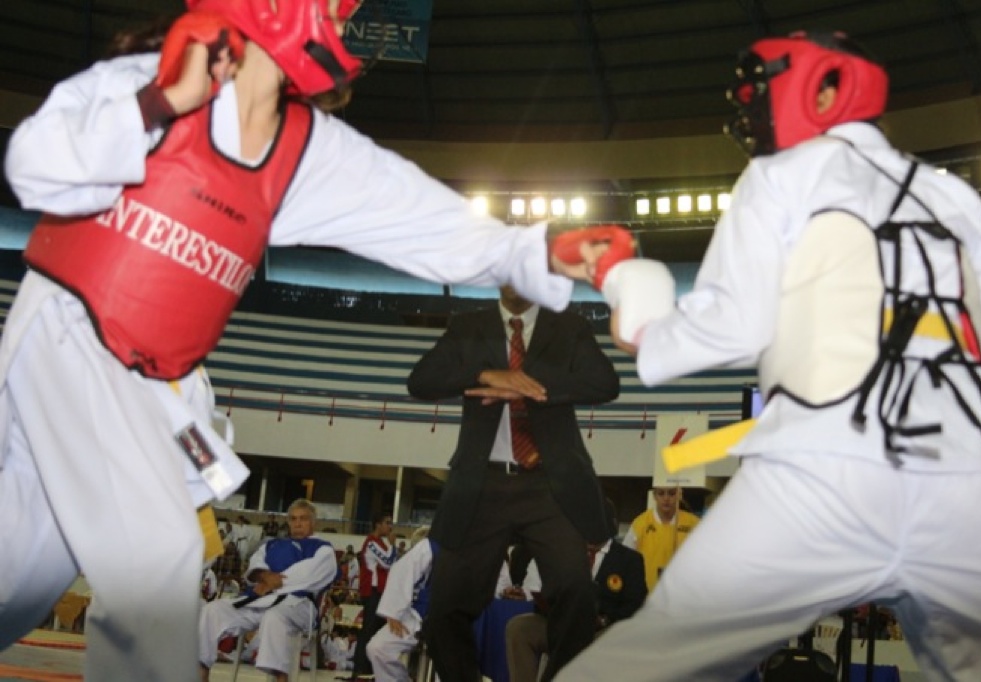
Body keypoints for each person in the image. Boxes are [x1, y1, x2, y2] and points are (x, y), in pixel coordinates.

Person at [0, 0, 622, 679]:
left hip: (156, 380)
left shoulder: (306, 148)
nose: (342, 21)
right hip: (72, 334)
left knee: (20, 576)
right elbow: (32, 165)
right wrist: (158, 102)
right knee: (157, 556)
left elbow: (413, 215)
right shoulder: (151, 76)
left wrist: (539, 254)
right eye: (333, 6)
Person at [556, 30, 981, 680]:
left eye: (762, 92)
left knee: (639, 667)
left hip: (826, 470)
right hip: (976, 478)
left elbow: (724, 330)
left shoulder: (781, 174)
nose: (753, 112)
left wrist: (623, 283)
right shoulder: (956, 197)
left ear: (824, 91)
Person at [408, 284, 620, 681]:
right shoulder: (468, 327)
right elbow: (421, 381)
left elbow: (606, 383)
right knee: (444, 611)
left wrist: (529, 384)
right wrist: (485, 374)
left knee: (576, 594)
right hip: (481, 484)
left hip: (550, 485)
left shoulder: (569, 327)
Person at [198, 498, 337, 682]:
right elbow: (255, 566)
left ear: (313, 522)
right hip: (260, 599)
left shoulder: (323, 549)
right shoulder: (272, 544)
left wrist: (271, 582)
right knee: (212, 611)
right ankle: (201, 674)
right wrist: (265, 577)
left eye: (303, 519)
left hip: (298, 605)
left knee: (275, 616)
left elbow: (308, 575)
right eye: (293, 519)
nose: (297, 523)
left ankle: (281, 677)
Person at [506, 523, 647, 682]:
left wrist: (603, 619)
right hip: (561, 625)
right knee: (519, 627)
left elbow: (634, 607)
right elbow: (548, 590)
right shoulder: (565, 551)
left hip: (601, 631)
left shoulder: (630, 559)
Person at [366, 526, 433, 682]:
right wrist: (393, 612)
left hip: (441, 620)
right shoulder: (406, 564)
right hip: (410, 618)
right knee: (377, 648)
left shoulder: (446, 560)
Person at [622, 485, 700, 591]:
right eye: (661, 493)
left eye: (671, 493)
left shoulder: (693, 523)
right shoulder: (640, 524)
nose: (666, 498)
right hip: (648, 593)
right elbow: (625, 561)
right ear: (654, 496)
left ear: (679, 495)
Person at [352, 513, 398, 677]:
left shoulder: (380, 543)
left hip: (379, 592)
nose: (390, 526)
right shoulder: (372, 543)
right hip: (372, 591)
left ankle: (370, 668)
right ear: (378, 524)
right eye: (387, 523)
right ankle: (360, 669)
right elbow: (387, 562)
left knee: (376, 631)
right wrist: (393, 546)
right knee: (369, 630)